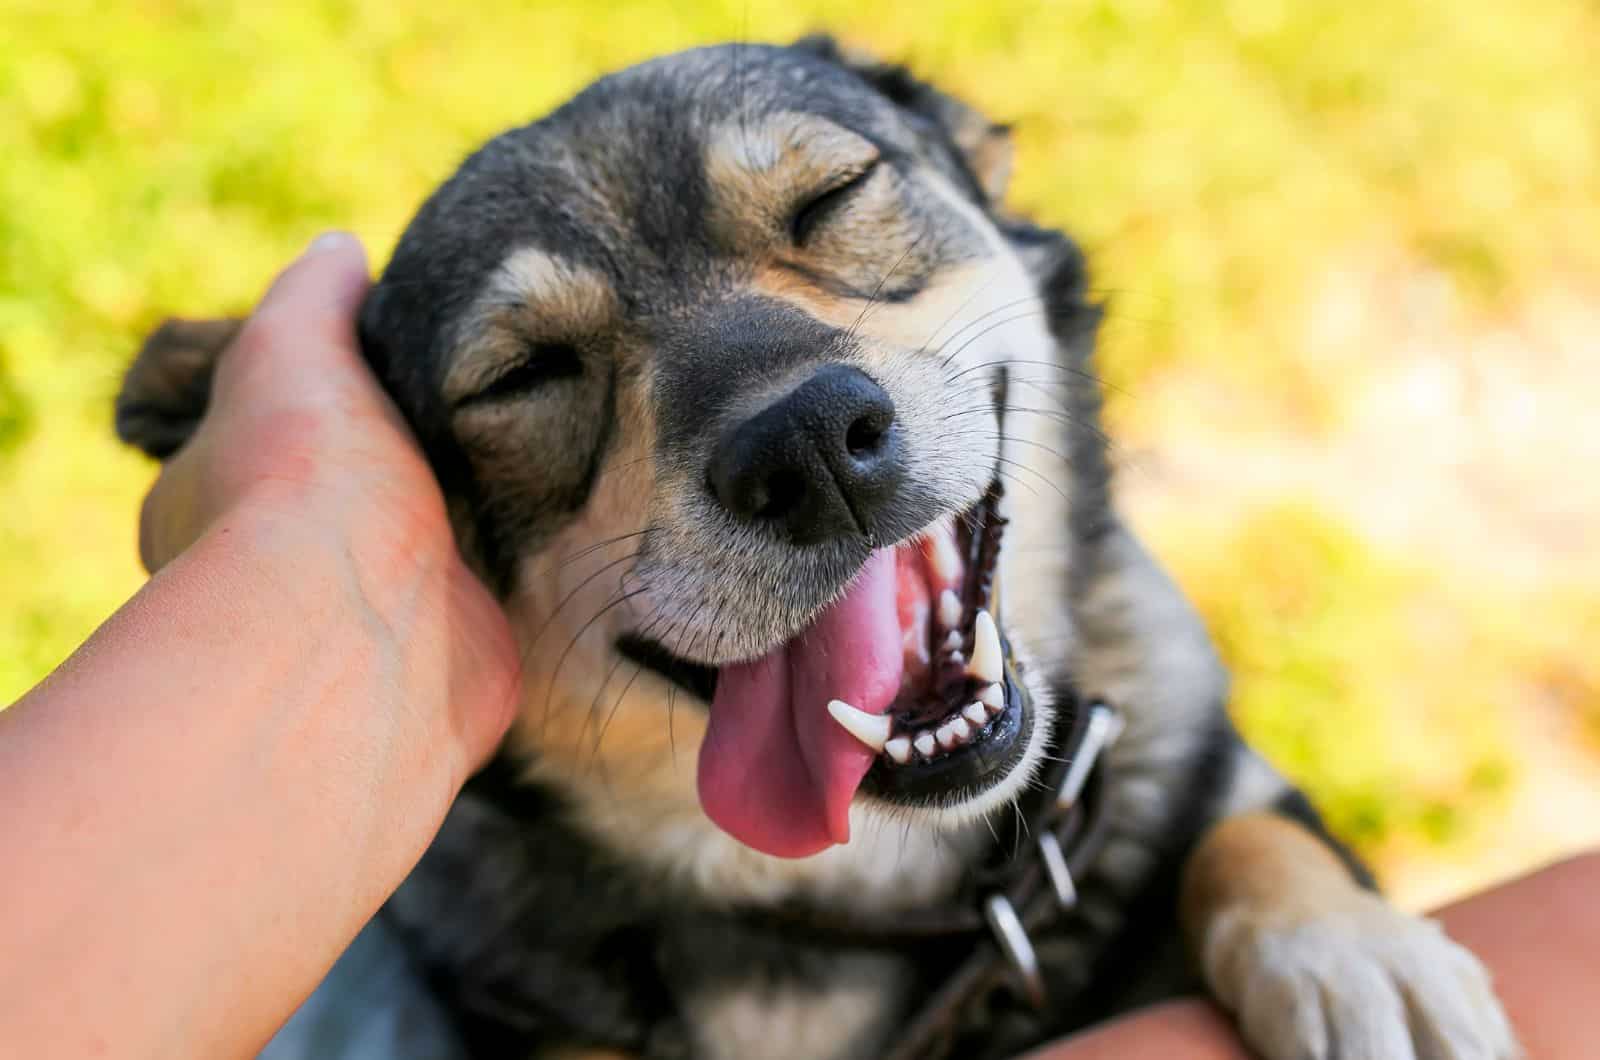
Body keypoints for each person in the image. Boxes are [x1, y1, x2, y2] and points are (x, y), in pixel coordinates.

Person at [1, 234, 1592, 1059]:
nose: (795, 410)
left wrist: (1269, 886)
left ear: (994, 204)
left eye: (828, 212)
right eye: (535, 369)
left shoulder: (1138, 688)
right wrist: (312, 546)